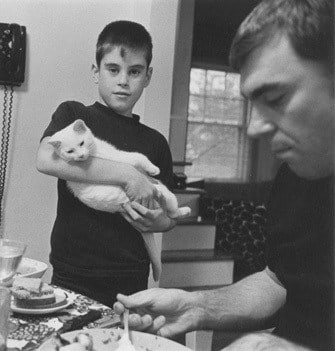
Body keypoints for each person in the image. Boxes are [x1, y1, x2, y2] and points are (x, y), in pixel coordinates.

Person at [113, 0, 334, 349]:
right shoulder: (294, 177)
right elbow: (278, 282)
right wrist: (196, 306)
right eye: (251, 105)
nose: (254, 127)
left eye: (275, 97)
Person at [36, 20, 180, 307]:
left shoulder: (156, 143)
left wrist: (160, 222)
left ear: (148, 76)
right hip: (72, 276)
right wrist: (128, 175)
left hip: (131, 279)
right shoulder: (73, 115)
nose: (123, 80)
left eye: (135, 71)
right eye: (113, 69)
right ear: (96, 71)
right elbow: (45, 159)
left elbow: (168, 216)